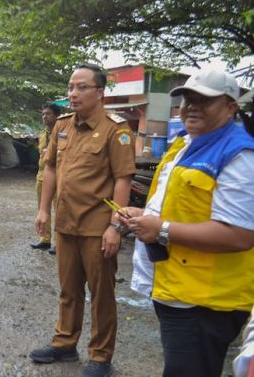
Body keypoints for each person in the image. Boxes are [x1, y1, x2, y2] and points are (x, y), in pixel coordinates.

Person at [119, 69, 254, 377]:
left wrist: (162, 229)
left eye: (204, 100)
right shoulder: (184, 143)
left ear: (231, 106)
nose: (192, 106)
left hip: (205, 302)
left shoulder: (240, 155)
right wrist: (143, 216)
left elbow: (241, 235)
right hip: (178, 289)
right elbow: (180, 206)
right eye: (187, 99)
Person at [30, 63, 136, 377]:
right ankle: (64, 343)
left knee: (101, 294)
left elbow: (123, 179)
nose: (73, 94)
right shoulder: (61, 126)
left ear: (100, 92)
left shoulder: (116, 130)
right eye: (71, 88)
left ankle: (101, 357)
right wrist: (42, 211)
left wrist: (116, 225)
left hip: (97, 227)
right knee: (68, 288)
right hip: (65, 223)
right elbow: (50, 169)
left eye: (81, 88)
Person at [31, 102, 61, 254]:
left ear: (56, 116)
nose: (44, 117)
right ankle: (45, 240)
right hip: (42, 176)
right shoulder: (42, 135)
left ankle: (58, 243)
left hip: (59, 177)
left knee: (59, 210)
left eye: (48, 114)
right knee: (43, 210)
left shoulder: (63, 133)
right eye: (43, 114)